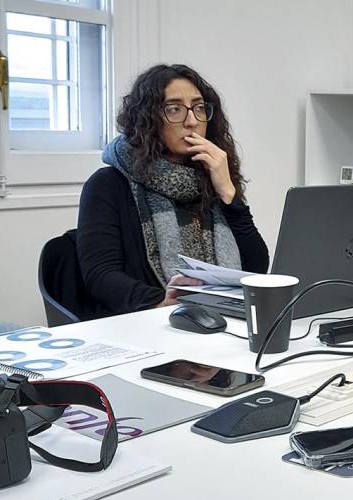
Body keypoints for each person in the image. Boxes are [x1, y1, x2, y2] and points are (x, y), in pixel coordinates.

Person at [78, 64, 269, 318]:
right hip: (145, 322)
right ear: (148, 118)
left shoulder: (212, 178)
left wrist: (229, 195)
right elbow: (100, 276)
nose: (191, 121)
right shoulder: (108, 184)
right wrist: (161, 301)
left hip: (217, 319)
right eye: (174, 109)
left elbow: (256, 268)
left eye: (199, 108)